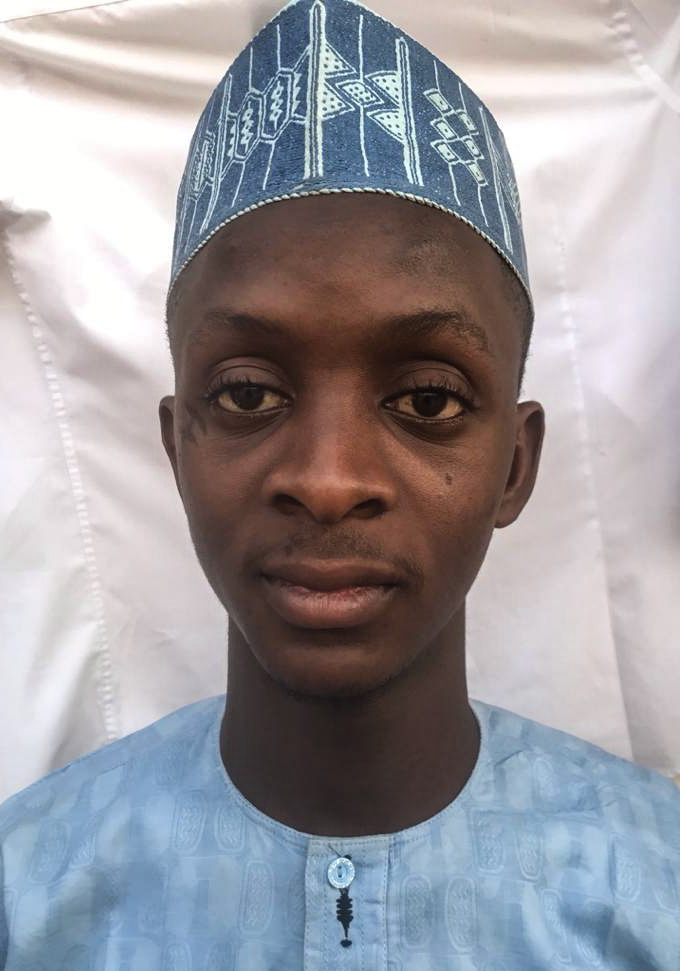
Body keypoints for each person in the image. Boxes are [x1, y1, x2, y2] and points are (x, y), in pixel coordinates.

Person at [1, 0, 678, 967]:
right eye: (247, 394)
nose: (328, 479)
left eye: (428, 400)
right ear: (178, 449)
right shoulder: (29, 896)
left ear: (515, 466)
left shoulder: (653, 887)